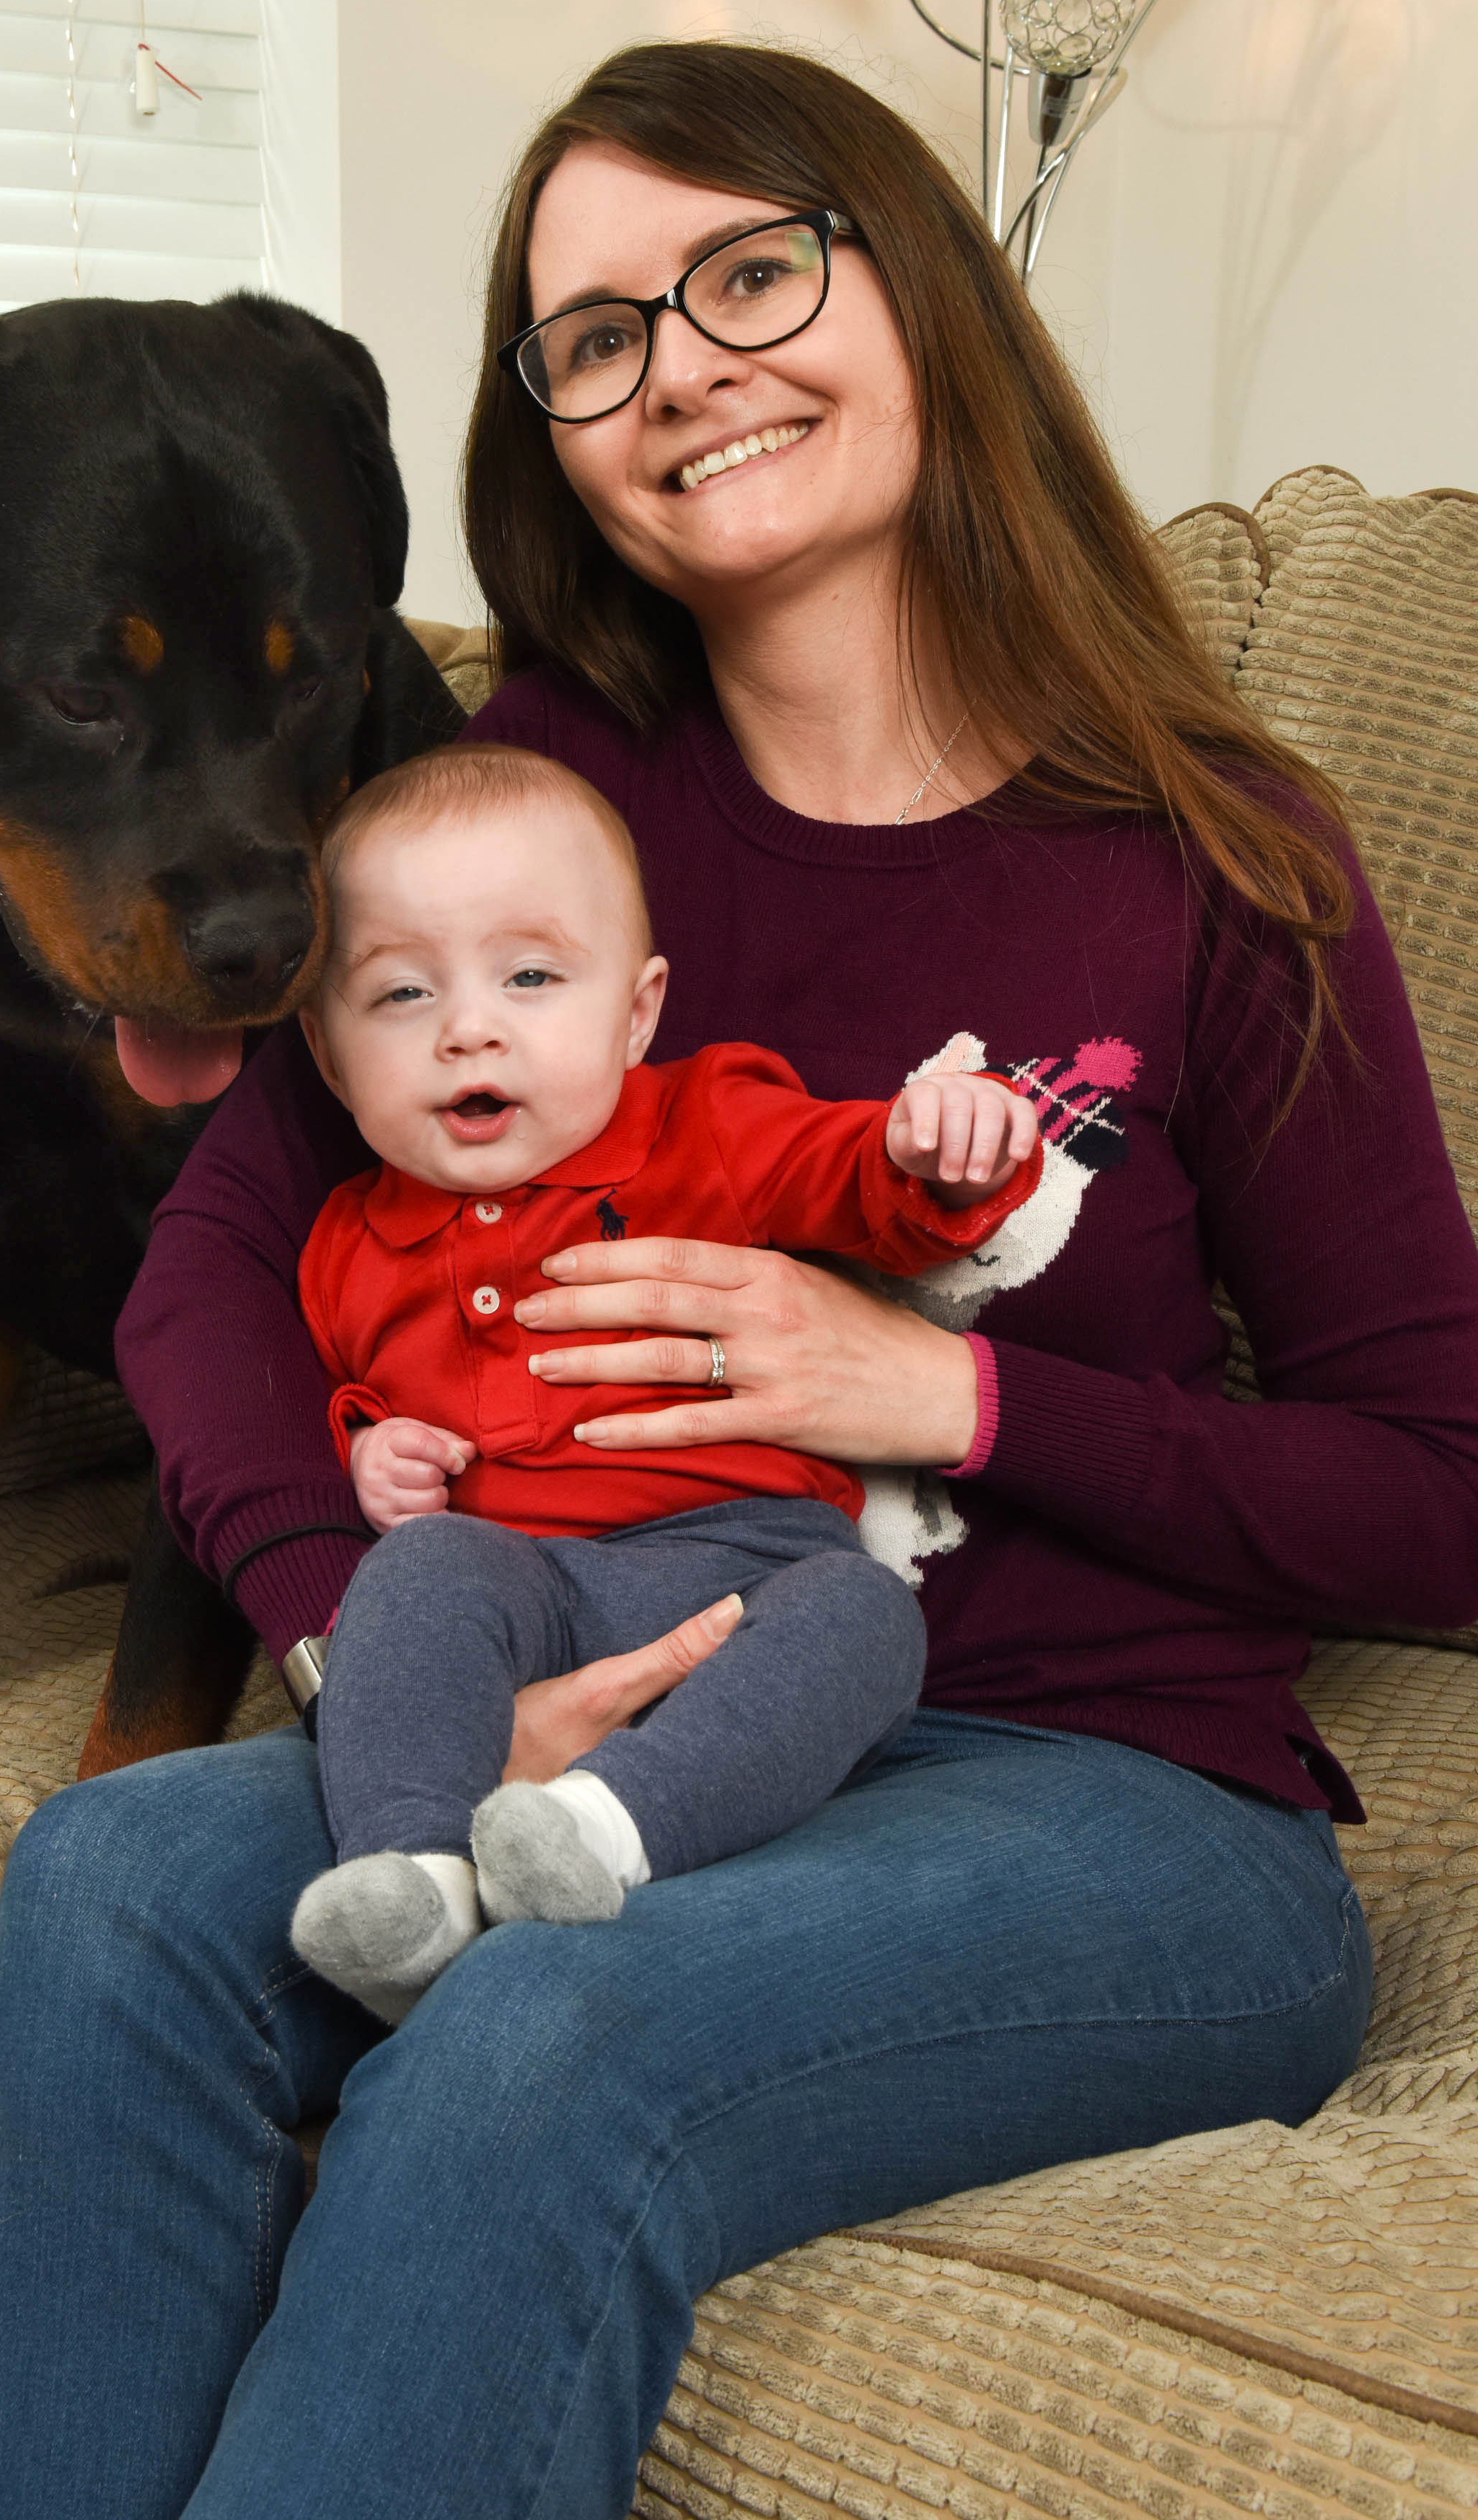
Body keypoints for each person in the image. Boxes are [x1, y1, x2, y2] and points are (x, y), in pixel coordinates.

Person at [0, 41, 1478, 2520]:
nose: (677, 364)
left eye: (753, 267)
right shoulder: (524, 837)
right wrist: (380, 1624)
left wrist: (936, 1397)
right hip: (582, 1686)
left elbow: (1431, 1494)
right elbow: (212, 1269)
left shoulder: (1220, 857)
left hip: (1124, 1805)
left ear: (916, 296)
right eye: (589, 330)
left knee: (539, 2043)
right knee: (110, 1901)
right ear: (545, 439)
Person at [287, 737, 1042, 2020]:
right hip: (523, 1580)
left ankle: (603, 1829)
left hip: (746, 1558)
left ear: (634, 1014)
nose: (470, 1025)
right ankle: (409, 1876)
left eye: (530, 977)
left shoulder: (705, 1123)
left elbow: (848, 1178)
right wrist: (372, 1450)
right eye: (402, 996)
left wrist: (936, 1154)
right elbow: (366, 1386)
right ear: (326, 1052)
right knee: (410, 1579)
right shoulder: (348, 1238)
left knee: (865, 1621)